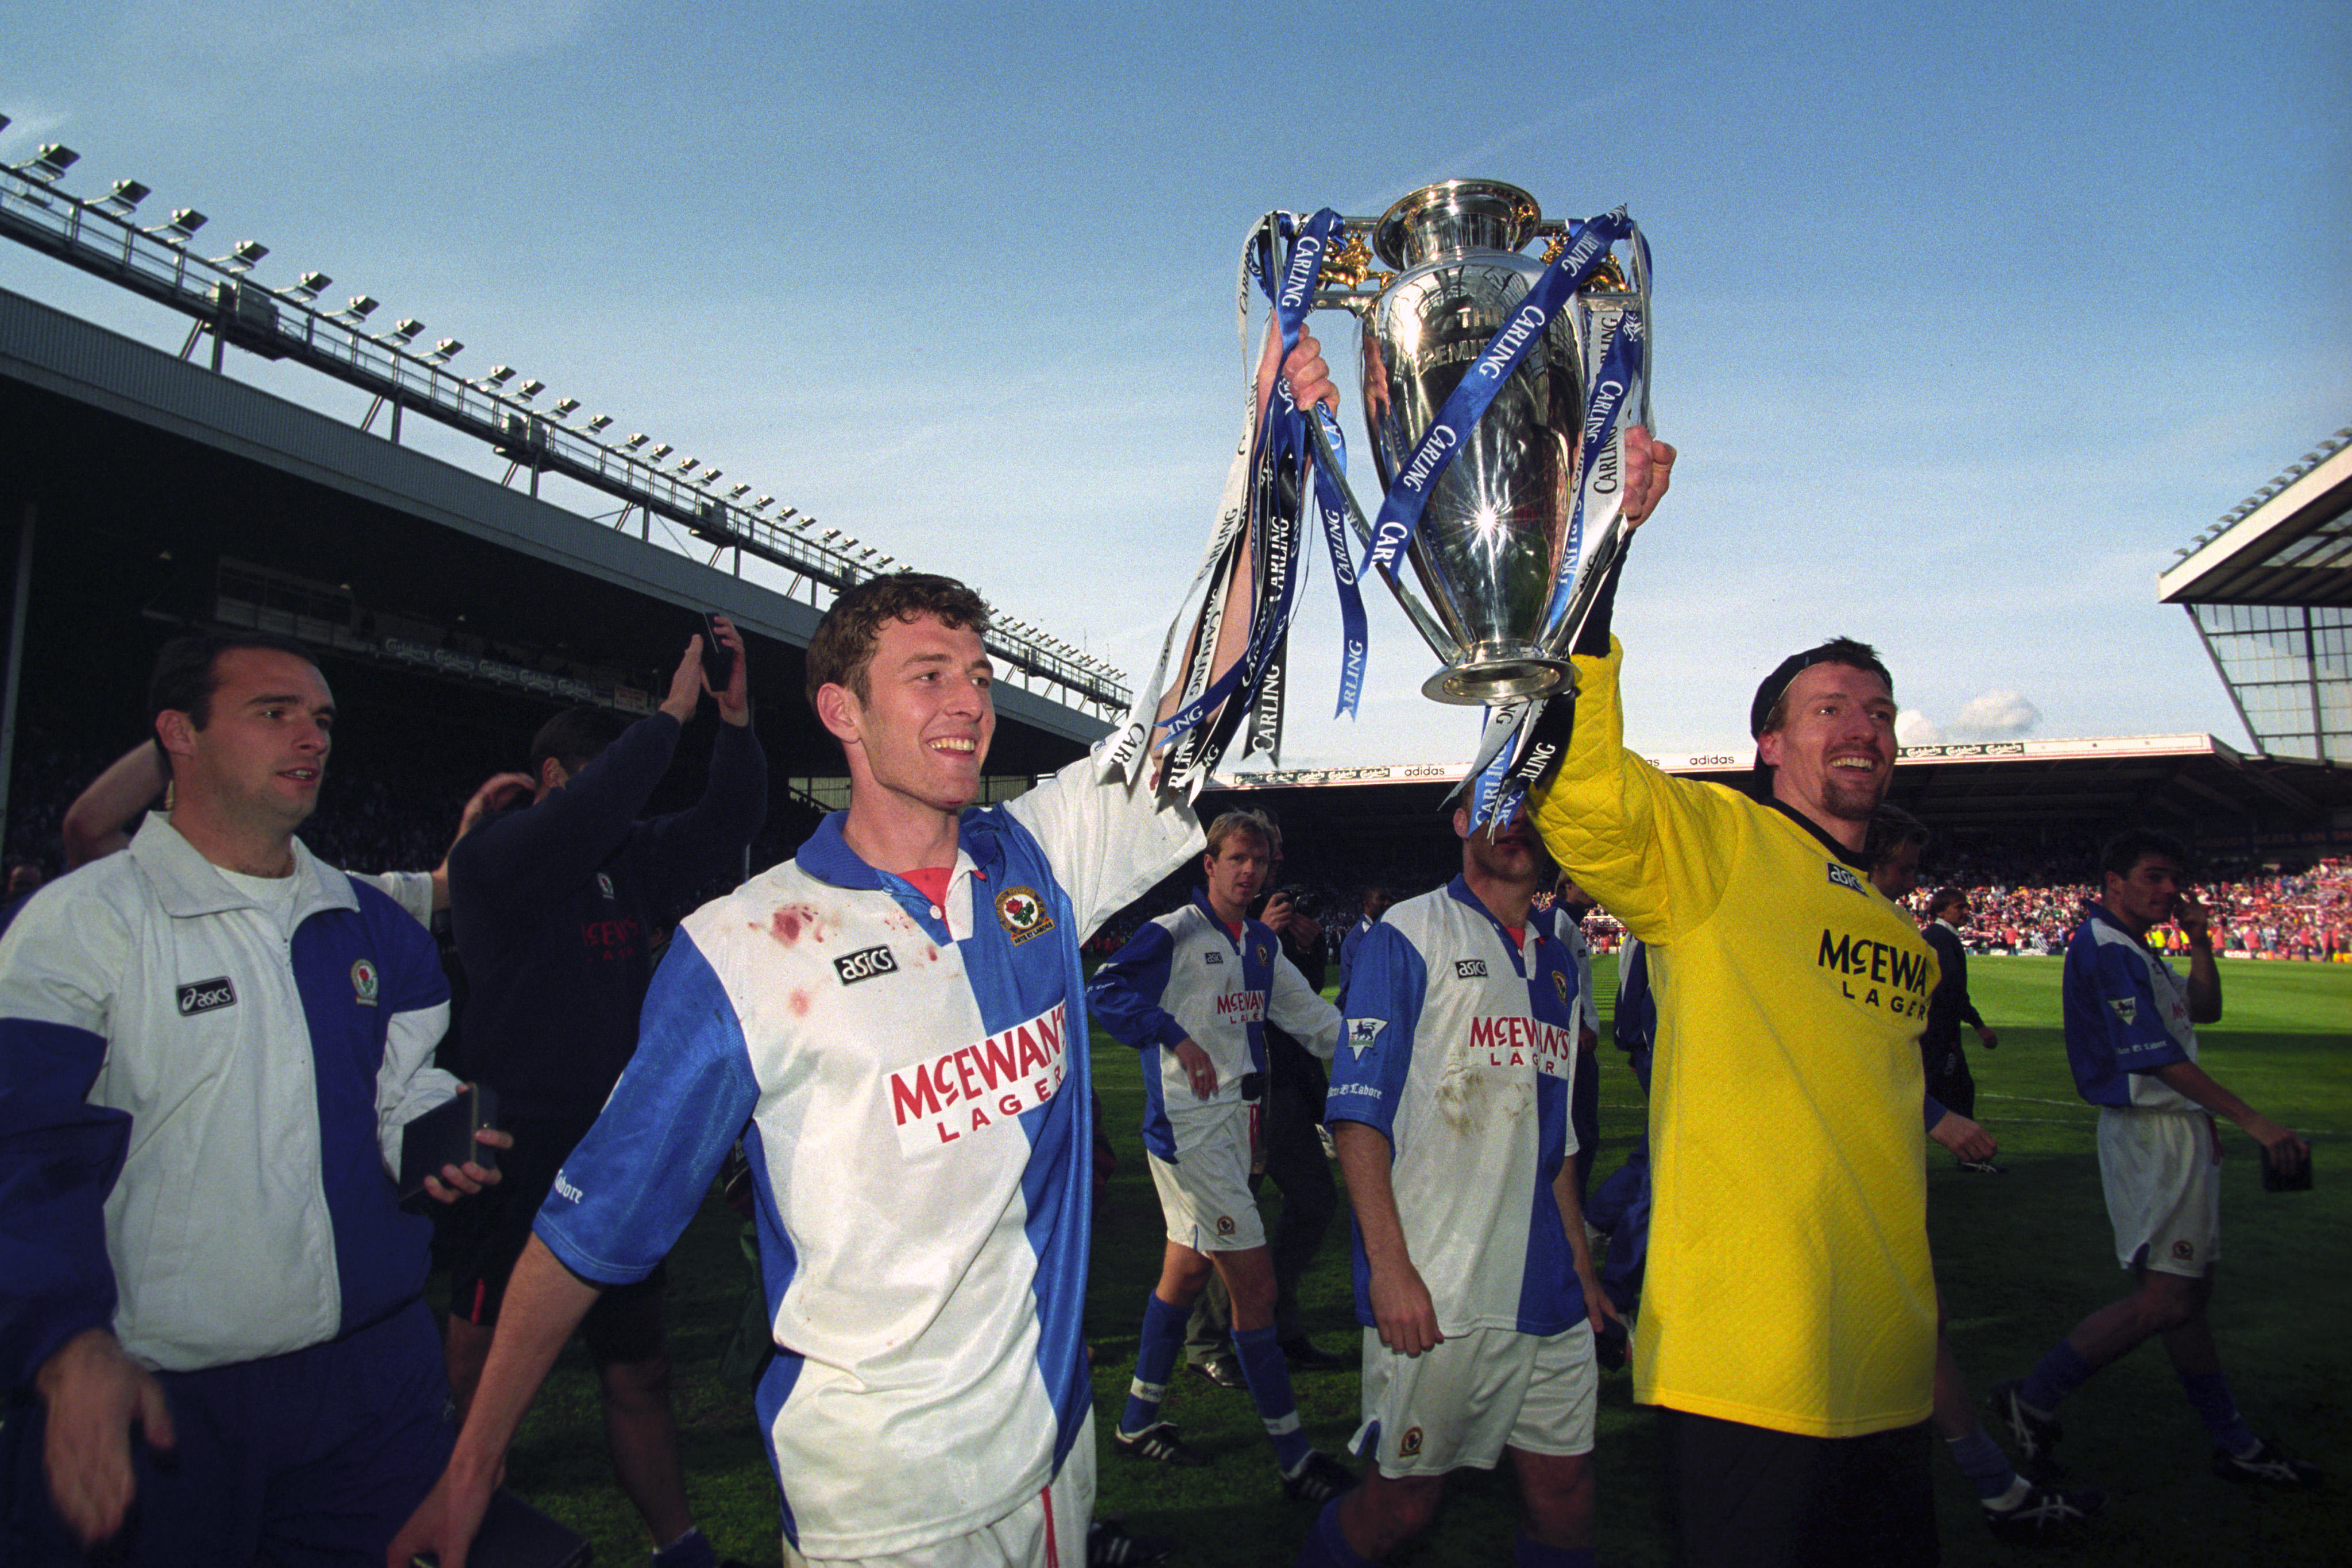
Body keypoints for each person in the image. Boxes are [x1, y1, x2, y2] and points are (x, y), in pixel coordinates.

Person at [390, 324, 1338, 1568]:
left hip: (1053, 1460)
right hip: (875, 1504)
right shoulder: (744, 947)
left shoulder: (1035, 861)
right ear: (841, 712)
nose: (970, 702)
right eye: (928, 675)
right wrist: (469, 1471)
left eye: (979, 673)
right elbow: (589, 1228)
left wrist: (1267, 459)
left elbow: (1194, 703)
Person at [0, 632, 506, 1564]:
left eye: (320, 720)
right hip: (157, 1403)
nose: (310, 738)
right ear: (178, 736)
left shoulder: (374, 927)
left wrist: (444, 1138)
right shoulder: (77, 927)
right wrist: (64, 1345)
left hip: (371, 1387)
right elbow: (22, 1153)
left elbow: (406, 1095)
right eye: (273, 714)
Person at [1533, 599, 1948, 1565]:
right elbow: (1583, 798)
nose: (1864, 729)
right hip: (1749, 1353)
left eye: (1881, 714)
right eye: (1831, 709)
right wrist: (1598, 573)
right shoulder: (1719, 847)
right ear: (1770, 743)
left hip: (1887, 1352)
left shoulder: (1900, 937)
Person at [440, 618, 765, 1567]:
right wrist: (667, 715)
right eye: (584, 785)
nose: (604, 802)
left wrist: (734, 724)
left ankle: (680, 1549)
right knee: (479, 1360)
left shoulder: (624, 862)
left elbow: (727, 823)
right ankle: (459, 1517)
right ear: (546, 787)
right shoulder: (494, 860)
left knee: (641, 1369)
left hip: (612, 1151)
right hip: (510, 1138)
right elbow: (589, 812)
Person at [1296, 804, 1614, 1568]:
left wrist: (1582, 1265)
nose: (1515, 822)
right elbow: (1357, 1117)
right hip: (1441, 1285)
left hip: (1546, 1289)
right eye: (1496, 802)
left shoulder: (1561, 957)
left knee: (1567, 1502)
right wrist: (1391, 1268)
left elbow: (1557, 1139)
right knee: (1399, 1510)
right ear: (1462, 817)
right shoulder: (1409, 932)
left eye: (1533, 807)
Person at [1993, 830, 2319, 1491]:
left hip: (2170, 1132)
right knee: (2168, 1298)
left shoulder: (2136, 946)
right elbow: (2157, 1060)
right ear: (2114, 882)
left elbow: (2206, 1010)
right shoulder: (2109, 949)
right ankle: (2032, 1397)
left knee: (2189, 1296)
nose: (2169, 889)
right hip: (2154, 1132)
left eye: (2175, 877)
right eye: (2154, 876)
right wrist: (2252, 1119)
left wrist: (2199, 940)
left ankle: (2235, 1442)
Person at [1088, 808, 1353, 1503]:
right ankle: (1296, 1462)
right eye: (1235, 858)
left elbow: (1317, 1023)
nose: (1248, 872)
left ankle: (1138, 1418)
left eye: (1259, 862)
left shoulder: (1262, 945)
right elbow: (1106, 990)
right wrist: (1174, 1034)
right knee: (1256, 1290)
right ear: (1209, 864)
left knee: (1182, 1272)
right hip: (1188, 1137)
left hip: (1234, 1133)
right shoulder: (1173, 933)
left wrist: (1390, 1047)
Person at [1864, 813, 2103, 1542]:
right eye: (1901, 868)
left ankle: (1989, 1483)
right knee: (1908, 1324)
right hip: (1845, 1165)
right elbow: (1840, 1051)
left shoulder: (1890, 932)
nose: (1911, 883)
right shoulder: (1844, 929)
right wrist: (1935, 1112)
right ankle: (1992, 1485)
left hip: (1876, 1160)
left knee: (1909, 1324)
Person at [1180, 867, 1347, 1388]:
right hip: (1236, 1091)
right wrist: (1264, 939)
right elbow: (1213, 1000)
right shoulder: (1212, 930)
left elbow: (1305, 1002)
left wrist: (1302, 947)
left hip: (1289, 1087)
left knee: (1316, 1200)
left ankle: (1276, 1317)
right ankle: (1205, 1342)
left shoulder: (1278, 936)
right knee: (1229, 1218)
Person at [1920, 886, 1999, 1170]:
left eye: (1966, 906)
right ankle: (1970, 1158)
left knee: (1951, 1088)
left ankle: (1969, 1158)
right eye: (1959, 907)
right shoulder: (1941, 938)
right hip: (1939, 1031)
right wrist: (1979, 1025)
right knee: (1951, 1089)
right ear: (1940, 911)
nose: (1966, 911)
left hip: (1934, 1028)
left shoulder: (1937, 937)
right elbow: (1950, 988)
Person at [1336, 884, 1393, 1004]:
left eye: (1389, 899)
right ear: (1367, 904)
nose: (1388, 903)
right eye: (1381, 899)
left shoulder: (1391, 932)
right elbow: (1348, 988)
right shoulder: (1356, 940)